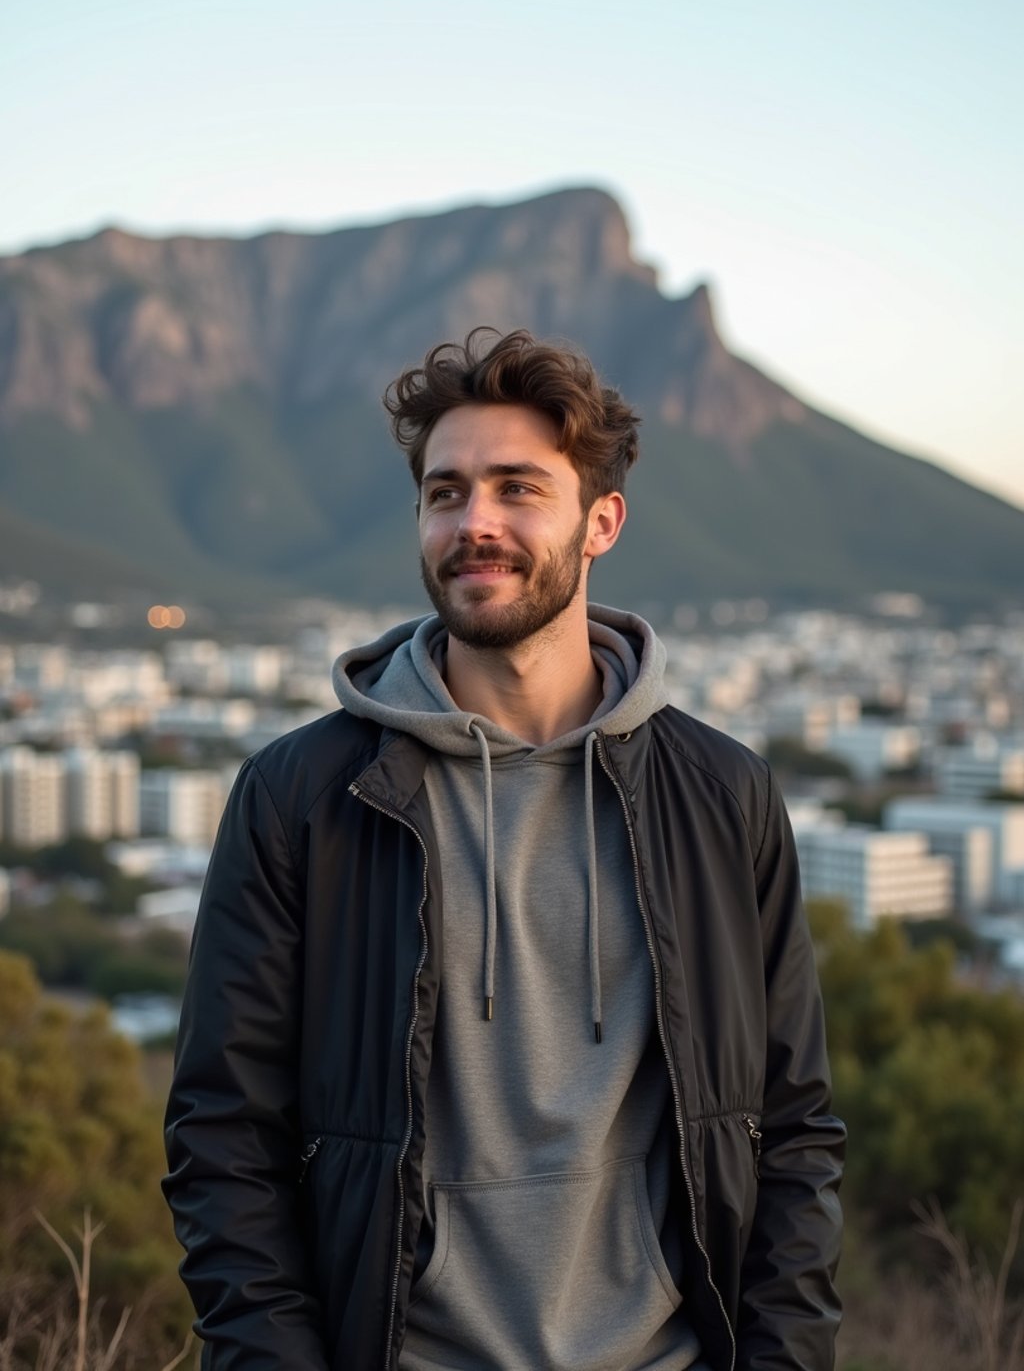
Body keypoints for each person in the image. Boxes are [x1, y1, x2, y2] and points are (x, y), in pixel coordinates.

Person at [164, 327, 845, 1371]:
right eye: (445, 493)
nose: (473, 523)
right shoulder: (302, 797)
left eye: (517, 488)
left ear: (600, 521)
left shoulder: (720, 795)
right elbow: (223, 1135)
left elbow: (791, 1129)